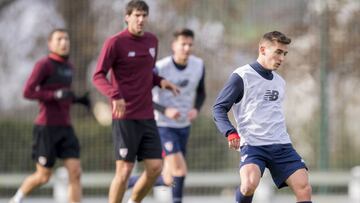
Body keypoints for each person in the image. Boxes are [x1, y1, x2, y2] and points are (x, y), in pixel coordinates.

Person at [92, 1, 179, 203]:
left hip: (147, 116)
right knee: (124, 171)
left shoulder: (152, 41)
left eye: (144, 15)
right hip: (125, 117)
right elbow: (98, 76)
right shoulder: (114, 42)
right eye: (137, 15)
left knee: (156, 168)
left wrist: (161, 81)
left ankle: (133, 201)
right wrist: (115, 95)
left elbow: (147, 73)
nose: (141, 20)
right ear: (127, 17)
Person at [212, 31, 312, 203]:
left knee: (304, 187)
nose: (282, 58)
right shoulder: (242, 76)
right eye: (278, 52)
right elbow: (218, 108)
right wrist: (230, 132)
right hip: (253, 145)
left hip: (281, 145)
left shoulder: (279, 82)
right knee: (249, 184)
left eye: (284, 53)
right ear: (263, 49)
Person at [9, 28, 89, 203]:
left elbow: (64, 95)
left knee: (75, 173)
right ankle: (17, 198)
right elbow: (28, 92)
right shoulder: (43, 65)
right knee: (43, 176)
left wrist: (78, 100)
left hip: (66, 128)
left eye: (66, 39)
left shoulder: (70, 67)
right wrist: (52, 96)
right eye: (59, 39)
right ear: (50, 44)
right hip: (46, 128)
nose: (64, 42)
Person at [127, 28, 206, 203]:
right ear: (174, 45)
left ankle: (129, 181)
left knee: (170, 179)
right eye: (183, 44)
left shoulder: (198, 65)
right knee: (180, 171)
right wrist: (165, 110)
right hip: (162, 126)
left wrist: (196, 109)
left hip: (184, 126)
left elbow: (201, 92)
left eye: (190, 45)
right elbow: (142, 95)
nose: (186, 48)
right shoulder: (160, 67)